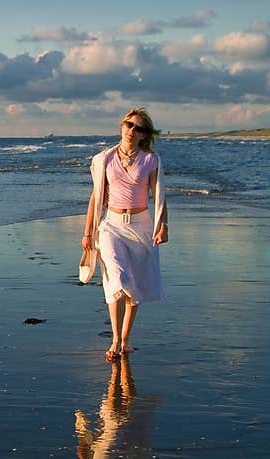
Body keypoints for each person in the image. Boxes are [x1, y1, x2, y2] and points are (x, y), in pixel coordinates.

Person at [81, 108, 168, 361]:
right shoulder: (104, 159)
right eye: (130, 125)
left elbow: (159, 195)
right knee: (117, 278)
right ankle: (115, 338)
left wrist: (163, 224)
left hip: (141, 225)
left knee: (134, 286)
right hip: (111, 225)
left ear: (145, 135)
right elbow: (96, 197)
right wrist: (88, 233)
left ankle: (125, 340)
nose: (133, 130)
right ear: (122, 126)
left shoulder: (151, 160)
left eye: (139, 128)